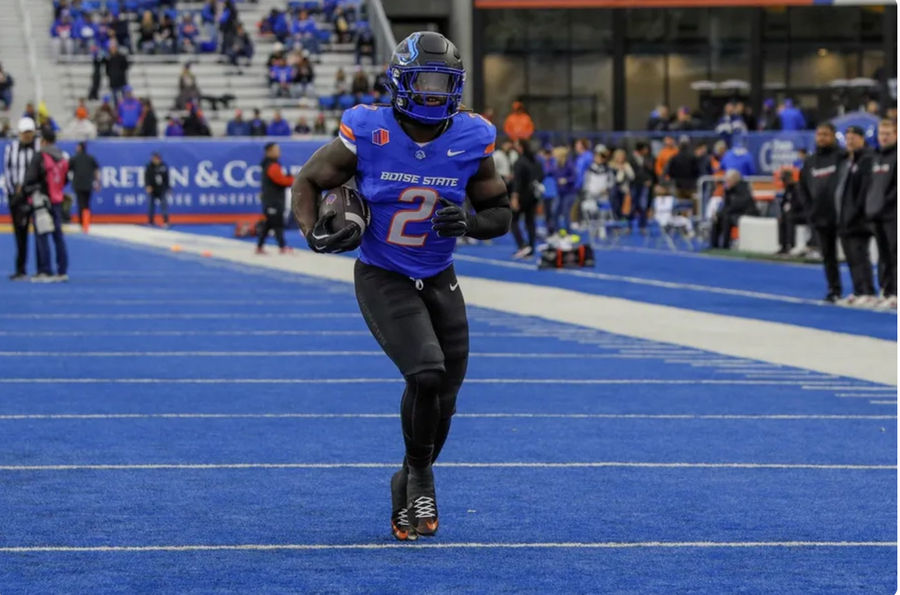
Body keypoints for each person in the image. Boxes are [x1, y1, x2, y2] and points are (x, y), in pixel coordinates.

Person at [291, 32, 510, 542]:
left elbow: (500, 211)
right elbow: (307, 181)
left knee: (446, 401)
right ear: (401, 81)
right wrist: (312, 233)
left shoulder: (473, 136)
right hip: (383, 272)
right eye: (425, 82)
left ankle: (405, 478)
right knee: (427, 372)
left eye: (444, 84)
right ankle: (421, 475)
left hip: (439, 275)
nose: (434, 94)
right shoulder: (370, 129)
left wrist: (470, 225)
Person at [797, 122, 844, 301]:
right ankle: (834, 289)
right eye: (819, 134)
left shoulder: (842, 157)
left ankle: (864, 291)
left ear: (833, 136)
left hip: (841, 215)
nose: (822, 138)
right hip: (820, 215)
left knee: (856, 255)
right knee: (828, 256)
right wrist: (810, 210)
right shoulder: (810, 161)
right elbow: (802, 188)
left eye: (826, 134)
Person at [834, 125, 876, 304]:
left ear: (861, 139)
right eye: (847, 138)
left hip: (857, 218)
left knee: (860, 256)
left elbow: (863, 190)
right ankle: (858, 290)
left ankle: (867, 291)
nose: (849, 141)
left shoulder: (866, 159)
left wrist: (857, 212)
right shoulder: (846, 161)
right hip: (843, 216)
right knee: (851, 257)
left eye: (853, 138)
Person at [23, 130, 70, 282]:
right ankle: (62, 270)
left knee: (42, 235)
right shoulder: (62, 157)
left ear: (43, 141)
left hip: (42, 200)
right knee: (58, 236)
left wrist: (29, 191)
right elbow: (67, 179)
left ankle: (45, 270)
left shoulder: (40, 156)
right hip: (57, 199)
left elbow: (30, 178)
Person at [865, 119, 896, 308]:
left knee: (895, 254)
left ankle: (896, 291)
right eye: (881, 134)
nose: (883, 137)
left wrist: (885, 204)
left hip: (893, 215)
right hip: (876, 214)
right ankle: (886, 291)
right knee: (883, 255)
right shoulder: (875, 157)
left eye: (888, 134)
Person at [4, 118, 38, 280]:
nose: (27, 135)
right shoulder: (11, 149)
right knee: (20, 234)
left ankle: (42, 269)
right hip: (17, 197)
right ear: (19, 133)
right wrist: (14, 191)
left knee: (40, 232)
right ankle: (21, 269)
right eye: (25, 132)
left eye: (30, 132)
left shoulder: (38, 149)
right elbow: (8, 172)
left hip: (34, 195)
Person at [256, 142, 293, 254]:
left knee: (269, 224)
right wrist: (293, 179)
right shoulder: (272, 166)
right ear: (269, 152)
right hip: (274, 200)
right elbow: (282, 181)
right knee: (277, 224)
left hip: (271, 200)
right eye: (276, 150)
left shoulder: (269, 164)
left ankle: (259, 247)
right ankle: (282, 247)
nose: (279, 152)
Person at [510, 139, 543, 259]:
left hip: (522, 196)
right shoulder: (535, 161)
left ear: (521, 147)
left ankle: (522, 246)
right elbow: (541, 176)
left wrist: (514, 196)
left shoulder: (520, 162)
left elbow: (517, 181)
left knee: (513, 221)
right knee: (530, 222)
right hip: (533, 195)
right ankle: (531, 248)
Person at [710, 169, 756, 249]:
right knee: (717, 218)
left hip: (745, 213)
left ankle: (725, 245)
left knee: (726, 218)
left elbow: (737, 206)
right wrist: (718, 214)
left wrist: (723, 213)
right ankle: (714, 245)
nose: (726, 183)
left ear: (734, 180)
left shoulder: (743, 189)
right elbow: (727, 205)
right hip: (733, 213)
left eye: (728, 181)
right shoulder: (729, 190)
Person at [68, 141, 100, 233]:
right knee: (86, 204)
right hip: (88, 185)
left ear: (80, 148)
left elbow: (68, 168)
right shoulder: (91, 158)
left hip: (78, 184)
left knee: (81, 204)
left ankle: (82, 223)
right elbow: (96, 170)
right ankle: (86, 223)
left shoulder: (75, 158)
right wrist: (97, 182)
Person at [629, 141, 655, 232]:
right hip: (634, 185)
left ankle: (642, 226)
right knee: (632, 206)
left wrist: (649, 180)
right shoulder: (631, 158)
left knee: (643, 205)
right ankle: (629, 226)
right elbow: (634, 173)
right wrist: (644, 180)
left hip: (644, 186)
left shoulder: (647, 158)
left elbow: (649, 172)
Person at [144, 151, 171, 227]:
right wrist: (148, 186)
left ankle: (166, 221)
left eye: (157, 158)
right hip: (152, 189)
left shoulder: (163, 166)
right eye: (154, 158)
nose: (155, 160)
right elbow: (146, 177)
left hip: (161, 189)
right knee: (150, 206)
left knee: (164, 205)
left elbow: (167, 178)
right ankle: (150, 221)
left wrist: (168, 188)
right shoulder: (149, 166)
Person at [105, 40, 129, 105]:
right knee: (115, 98)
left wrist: (120, 73)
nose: (112, 49)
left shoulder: (121, 57)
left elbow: (125, 66)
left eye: (113, 47)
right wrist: (110, 75)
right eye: (111, 48)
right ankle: (117, 110)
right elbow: (107, 69)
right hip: (113, 81)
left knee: (124, 96)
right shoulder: (108, 58)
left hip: (121, 80)